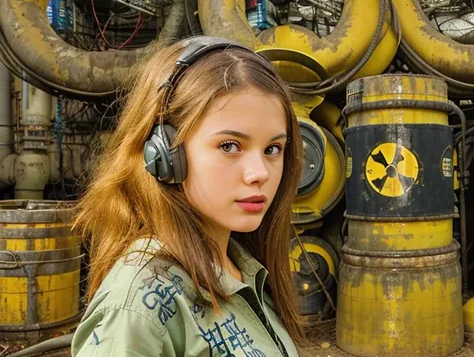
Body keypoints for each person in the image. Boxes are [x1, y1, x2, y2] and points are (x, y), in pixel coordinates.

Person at [70, 36, 304, 356]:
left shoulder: (242, 265)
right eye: (229, 146)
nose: (259, 172)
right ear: (165, 154)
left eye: (272, 149)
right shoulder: (139, 305)